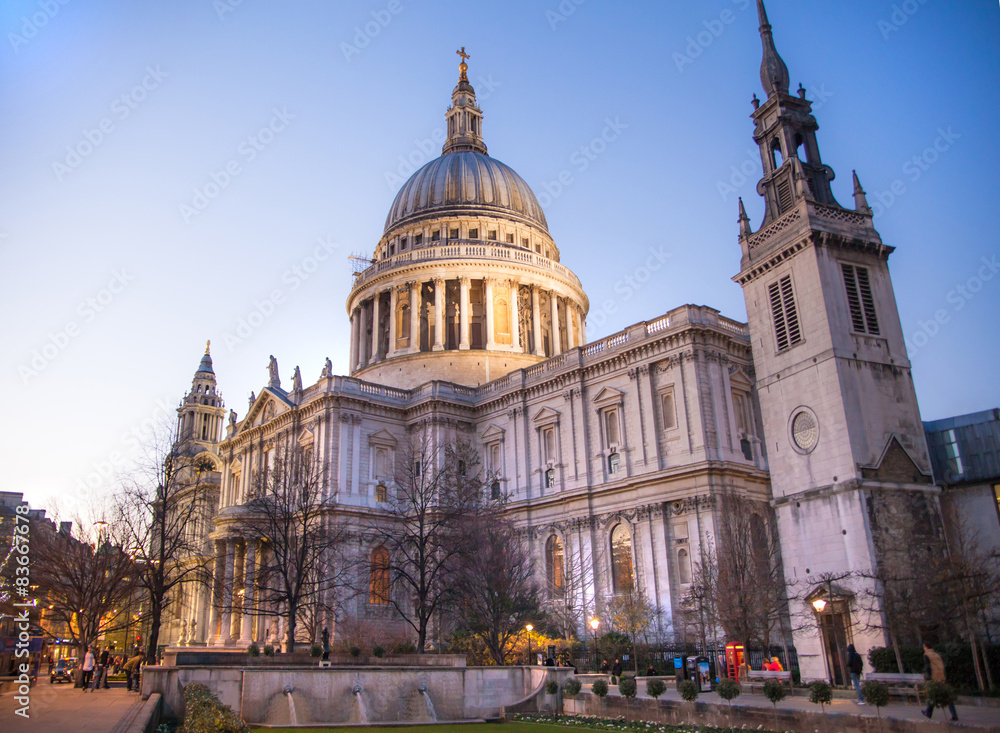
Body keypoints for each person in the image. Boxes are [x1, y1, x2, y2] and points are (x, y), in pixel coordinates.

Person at [922, 642, 958, 721]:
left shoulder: (926, 655)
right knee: (947, 696)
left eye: (924, 647)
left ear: (926, 647)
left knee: (932, 695)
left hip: (934, 678)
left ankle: (928, 712)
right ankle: (954, 714)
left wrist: (928, 679)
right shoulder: (937, 654)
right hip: (941, 677)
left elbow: (928, 668)